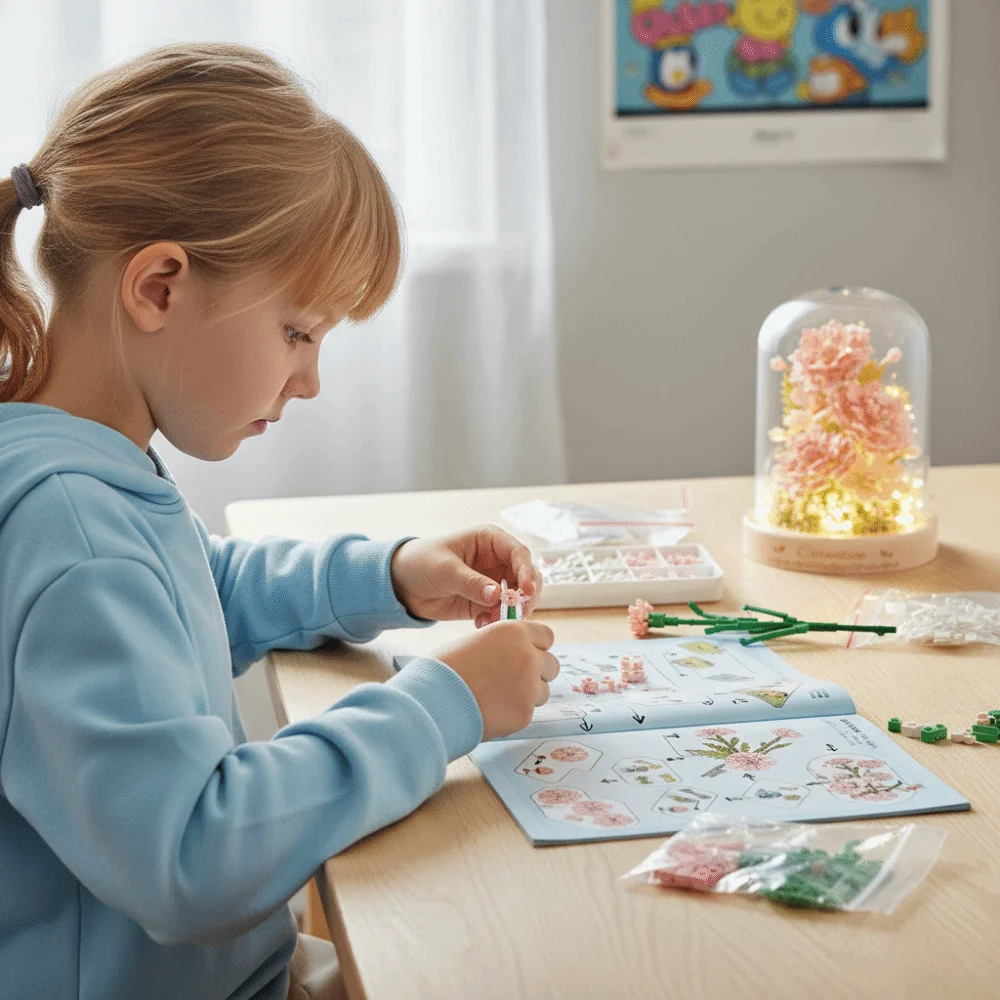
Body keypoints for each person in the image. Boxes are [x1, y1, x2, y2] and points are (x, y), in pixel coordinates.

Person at [0, 42, 559, 1000]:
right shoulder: (73, 535)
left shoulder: (71, 464)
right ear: (159, 286)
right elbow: (191, 855)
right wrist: (443, 705)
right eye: (298, 332)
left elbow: (191, 595)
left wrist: (385, 575)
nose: (308, 380)